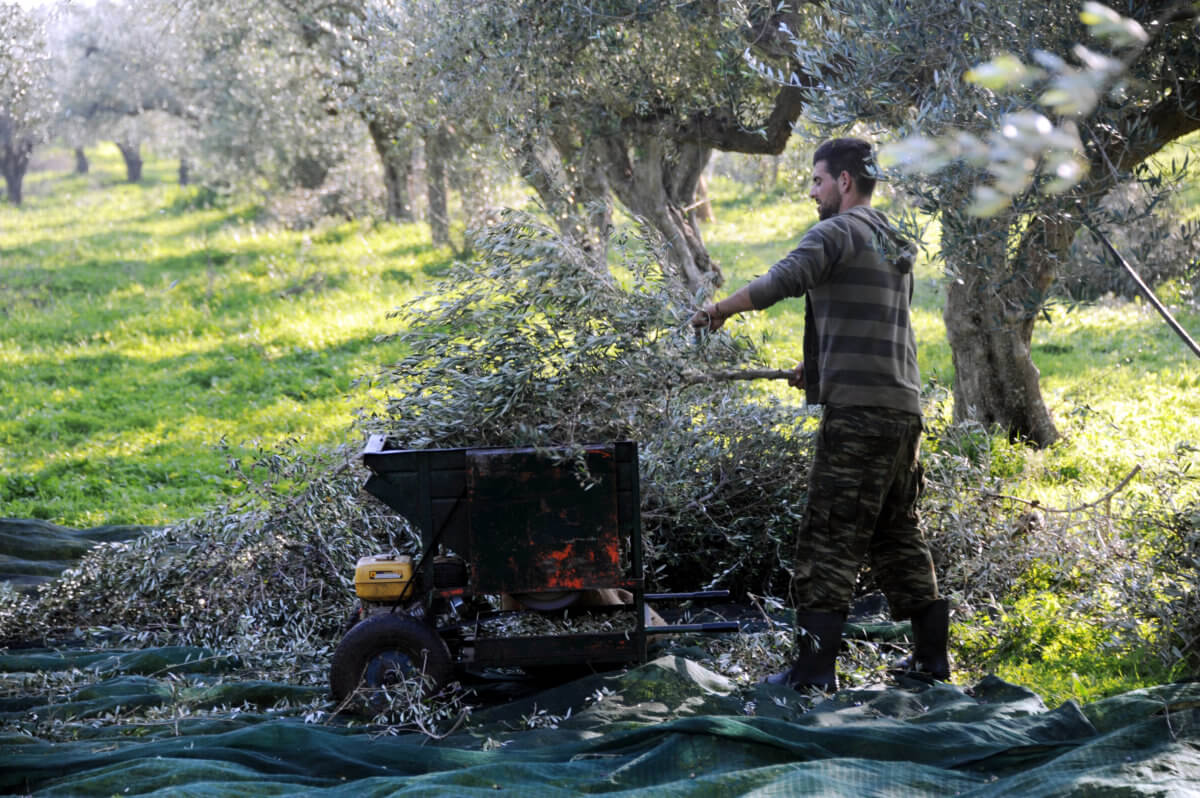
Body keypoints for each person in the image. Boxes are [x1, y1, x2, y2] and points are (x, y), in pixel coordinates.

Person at [690, 137, 949, 691]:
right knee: (895, 531)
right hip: (902, 412)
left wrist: (720, 310)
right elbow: (876, 322)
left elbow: (783, 280)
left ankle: (811, 675)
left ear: (846, 182)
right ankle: (932, 660)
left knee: (828, 538)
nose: (812, 192)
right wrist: (821, 368)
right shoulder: (895, 240)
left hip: (857, 417)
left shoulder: (836, 231)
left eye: (817, 180)